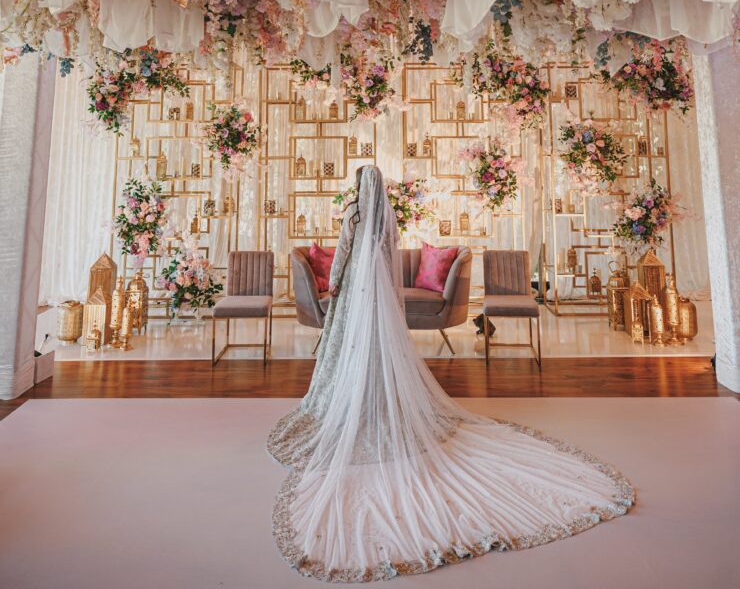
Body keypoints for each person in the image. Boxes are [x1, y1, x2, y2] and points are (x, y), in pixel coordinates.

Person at [268, 165, 633, 581]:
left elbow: (344, 257)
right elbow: (386, 256)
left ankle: (354, 401)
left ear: (359, 186)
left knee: (351, 349)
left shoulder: (354, 213)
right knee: (381, 351)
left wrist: (335, 285)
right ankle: (379, 399)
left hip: (355, 292)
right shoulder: (387, 216)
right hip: (381, 295)